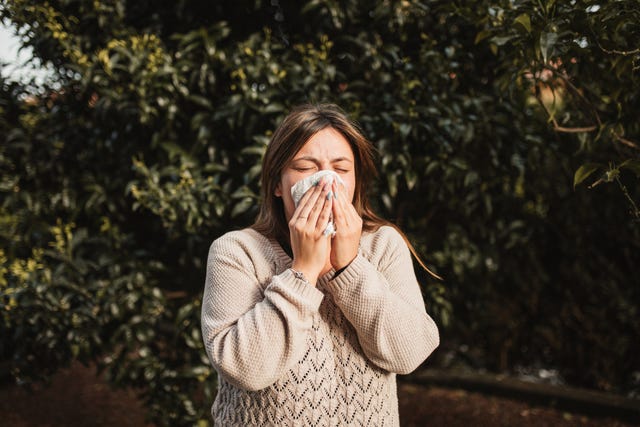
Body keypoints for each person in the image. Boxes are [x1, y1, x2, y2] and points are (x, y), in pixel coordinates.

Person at [201, 103, 440, 426]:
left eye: (340, 169)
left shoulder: (383, 245)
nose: (326, 181)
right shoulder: (237, 251)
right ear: (276, 183)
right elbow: (246, 369)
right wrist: (303, 271)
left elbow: (408, 354)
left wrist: (348, 267)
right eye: (305, 167)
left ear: (355, 180)